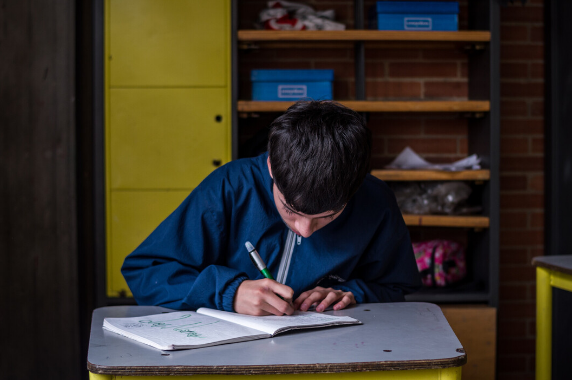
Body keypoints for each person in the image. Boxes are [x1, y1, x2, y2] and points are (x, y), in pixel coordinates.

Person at [122, 100, 421, 316]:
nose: (304, 230)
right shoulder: (231, 186)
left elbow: (395, 287)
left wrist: (352, 293)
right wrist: (230, 292)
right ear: (271, 168)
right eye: (291, 210)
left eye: (326, 216)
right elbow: (147, 272)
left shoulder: (376, 200)